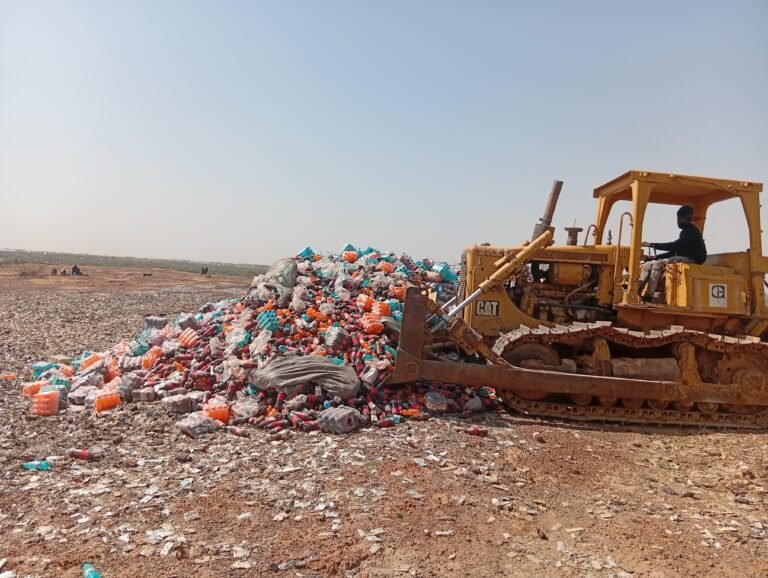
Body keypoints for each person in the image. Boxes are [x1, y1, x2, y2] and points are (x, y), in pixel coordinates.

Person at [637, 205, 707, 302]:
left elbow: (674, 246)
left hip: (692, 259)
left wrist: (651, 245)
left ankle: (649, 295)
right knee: (648, 265)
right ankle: (635, 291)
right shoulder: (685, 232)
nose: (678, 221)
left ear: (688, 218)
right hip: (683, 257)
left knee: (657, 264)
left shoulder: (691, 232)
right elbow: (675, 252)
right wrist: (653, 257)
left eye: (680, 218)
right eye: (677, 218)